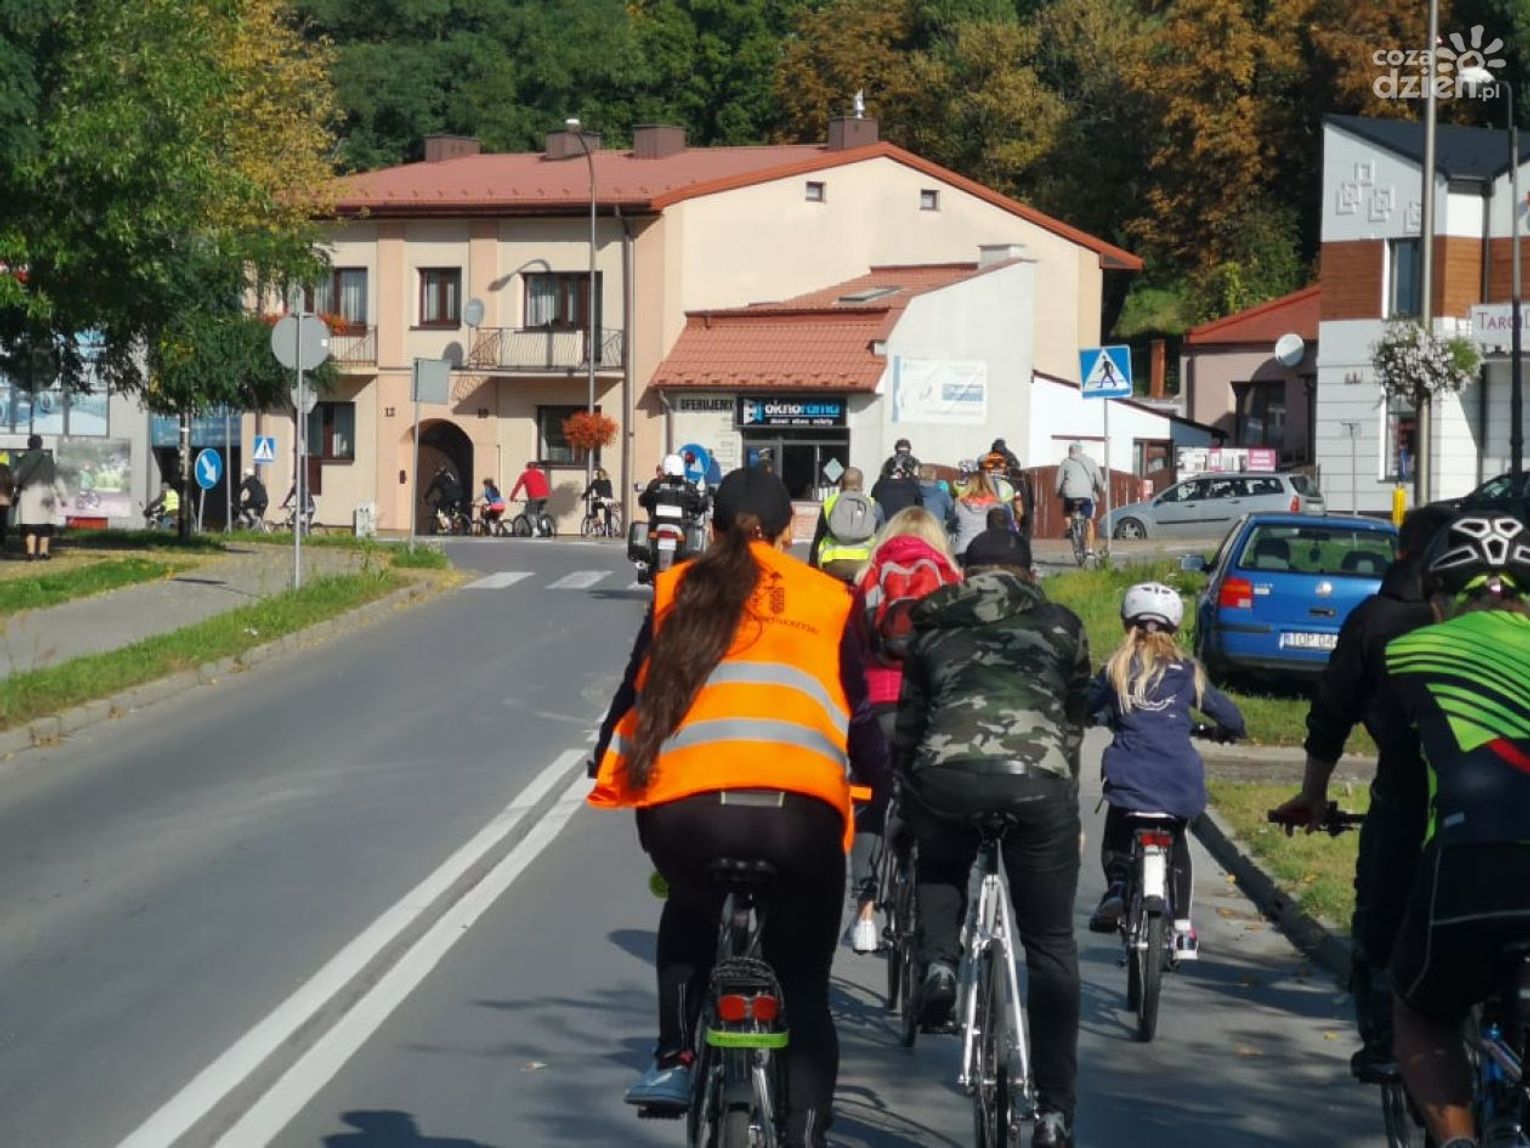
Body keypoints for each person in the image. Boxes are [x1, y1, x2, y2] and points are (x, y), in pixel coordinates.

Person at [588, 467, 890, 1145]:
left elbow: (633, 694)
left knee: (689, 905)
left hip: (689, 817)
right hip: (800, 822)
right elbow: (863, 714)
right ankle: (804, 1132)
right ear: (788, 534)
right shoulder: (829, 598)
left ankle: (674, 1057)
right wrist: (882, 784)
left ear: (713, 529)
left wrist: (605, 756)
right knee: (804, 991)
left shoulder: (677, 589)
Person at [894, 528, 1090, 1148]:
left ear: (965, 572)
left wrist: (908, 800)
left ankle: (939, 966)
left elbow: (909, 728)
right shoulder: (1063, 625)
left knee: (939, 860)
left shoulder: (932, 626)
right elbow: (1073, 720)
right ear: (1030, 573)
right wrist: (1065, 800)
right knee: (1052, 946)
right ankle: (1054, 1113)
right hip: (1038, 784)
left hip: (947, 777)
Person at [1272, 504, 1455, 1080]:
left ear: (1401, 551)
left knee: (1381, 917)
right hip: (1497, 799)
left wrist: (1313, 794)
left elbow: (1331, 713)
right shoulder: (1498, 621)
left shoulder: (1373, 620)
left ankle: (1384, 1044)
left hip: (1403, 796)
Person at [1377, 515, 1530, 1148]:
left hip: (1469, 869)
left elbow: (1400, 793)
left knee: (1420, 1011)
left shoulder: (1411, 652)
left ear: (1440, 598)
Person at [1085, 582, 1245, 958]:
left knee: (1117, 829)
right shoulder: (1187, 672)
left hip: (1130, 775)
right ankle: (1184, 929)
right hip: (1178, 779)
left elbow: (1084, 705)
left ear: (1127, 623)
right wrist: (1225, 731)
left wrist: (1090, 715)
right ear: (1175, 627)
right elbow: (1231, 717)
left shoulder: (1116, 668)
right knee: (1177, 839)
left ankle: (1117, 886)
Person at [847, 507, 963, 953]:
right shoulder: (950, 579)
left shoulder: (870, 576)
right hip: (930, 705)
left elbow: (851, 647)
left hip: (876, 705)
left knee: (871, 798)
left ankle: (865, 916)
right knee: (935, 801)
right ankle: (942, 912)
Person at [811, 466, 881, 582]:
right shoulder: (873, 505)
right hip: (863, 565)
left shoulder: (829, 503)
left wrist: (812, 565)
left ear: (841, 484)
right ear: (862, 485)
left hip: (833, 564)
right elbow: (882, 537)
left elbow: (819, 536)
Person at [1056, 443, 1105, 556]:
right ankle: (1090, 550)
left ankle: (1069, 527)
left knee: (1066, 511)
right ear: (1081, 451)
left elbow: (1058, 481)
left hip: (1070, 495)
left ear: (1069, 451)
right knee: (1088, 520)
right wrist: (1098, 490)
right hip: (1086, 496)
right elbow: (1099, 480)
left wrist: (1058, 494)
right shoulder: (1091, 462)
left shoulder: (1065, 462)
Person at [950, 469, 1012, 560]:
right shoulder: (998, 506)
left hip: (962, 550)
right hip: (988, 551)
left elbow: (951, 525)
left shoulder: (958, 504)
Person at [870, 454, 923, 520]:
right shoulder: (912, 486)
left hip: (884, 524)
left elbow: (872, 505)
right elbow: (920, 509)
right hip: (905, 523)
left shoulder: (878, 486)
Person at [508, 460, 551, 526]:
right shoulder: (540, 474)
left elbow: (517, 487)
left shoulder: (525, 475)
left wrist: (512, 497)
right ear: (536, 467)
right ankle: (544, 524)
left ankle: (535, 529)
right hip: (545, 496)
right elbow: (544, 485)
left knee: (530, 513)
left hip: (534, 497)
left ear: (527, 467)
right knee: (541, 510)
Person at [916, 464, 954, 533]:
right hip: (936, 533)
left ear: (919, 476)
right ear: (934, 476)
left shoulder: (912, 493)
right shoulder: (943, 495)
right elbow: (952, 513)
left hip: (916, 532)